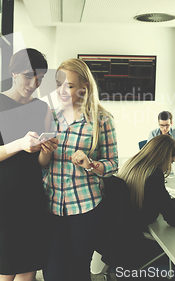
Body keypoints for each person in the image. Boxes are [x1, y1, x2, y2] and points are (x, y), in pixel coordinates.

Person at [0, 48, 58, 281]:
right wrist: (20, 144)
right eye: (28, 76)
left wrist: (46, 151)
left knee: (28, 267)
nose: (34, 84)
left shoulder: (43, 108)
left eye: (40, 79)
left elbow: (42, 163)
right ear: (13, 72)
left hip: (32, 192)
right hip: (3, 193)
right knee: (6, 268)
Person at [42, 58, 118, 281]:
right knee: (52, 271)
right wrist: (43, 150)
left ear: (84, 88)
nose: (62, 91)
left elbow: (113, 164)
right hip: (51, 205)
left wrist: (90, 164)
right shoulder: (51, 118)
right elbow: (42, 164)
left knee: (77, 271)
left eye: (70, 85)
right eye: (59, 84)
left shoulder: (101, 120)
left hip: (85, 208)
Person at [111, 135, 175, 274]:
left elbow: (150, 197)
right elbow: (173, 219)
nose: (170, 165)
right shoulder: (153, 174)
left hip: (122, 240)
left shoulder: (132, 165)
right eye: (171, 161)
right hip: (137, 246)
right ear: (164, 157)